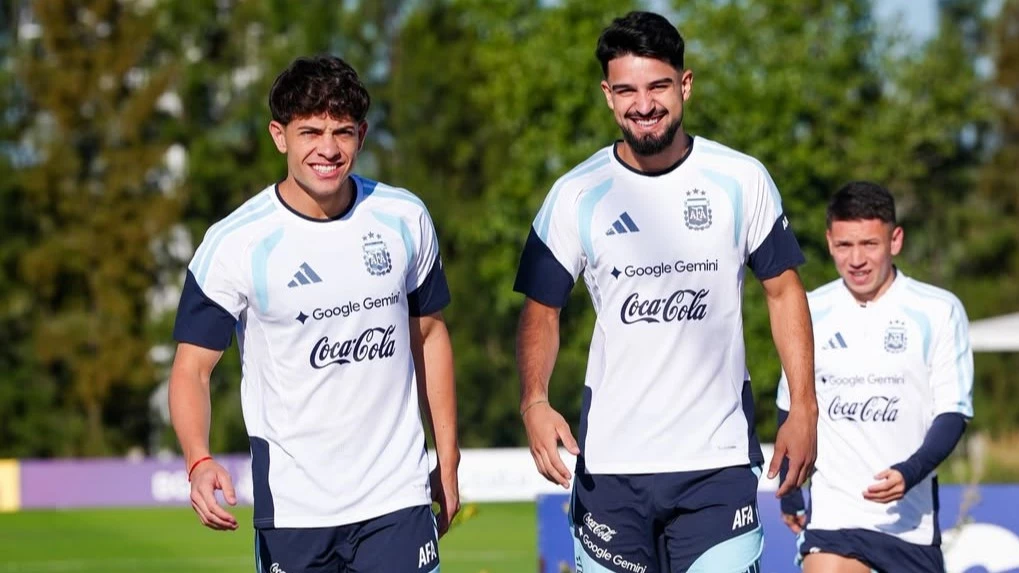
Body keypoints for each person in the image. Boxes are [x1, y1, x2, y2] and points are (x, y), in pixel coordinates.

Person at [513, 11, 818, 573]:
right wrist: (534, 400)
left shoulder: (741, 179)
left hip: (717, 465)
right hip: (610, 469)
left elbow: (784, 293)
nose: (644, 104)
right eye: (626, 89)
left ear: (685, 84)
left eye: (657, 86)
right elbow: (542, 310)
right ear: (608, 95)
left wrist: (803, 406)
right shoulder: (576, 193)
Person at [168, 54, 459, 573]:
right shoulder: (234, 243)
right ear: (279, 136)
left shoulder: (404, 218)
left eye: (342, 132)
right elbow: (192, 369)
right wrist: (198, 459)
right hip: (294, 509)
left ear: (362, 136)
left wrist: (449, 455)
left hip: (396, 496)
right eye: (311, 132)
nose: (328, 149)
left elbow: (431, 336)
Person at [776, 181, 974, 572]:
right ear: (829, 242)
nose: (856, 259)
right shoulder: (809, 310)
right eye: (845, 245)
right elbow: (791, 407)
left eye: (869, 244)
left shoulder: (938, 311)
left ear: (895, 240)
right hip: (834, 517)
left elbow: (953, 414)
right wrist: (789, 487)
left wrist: (909, 472)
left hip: (908, 525)